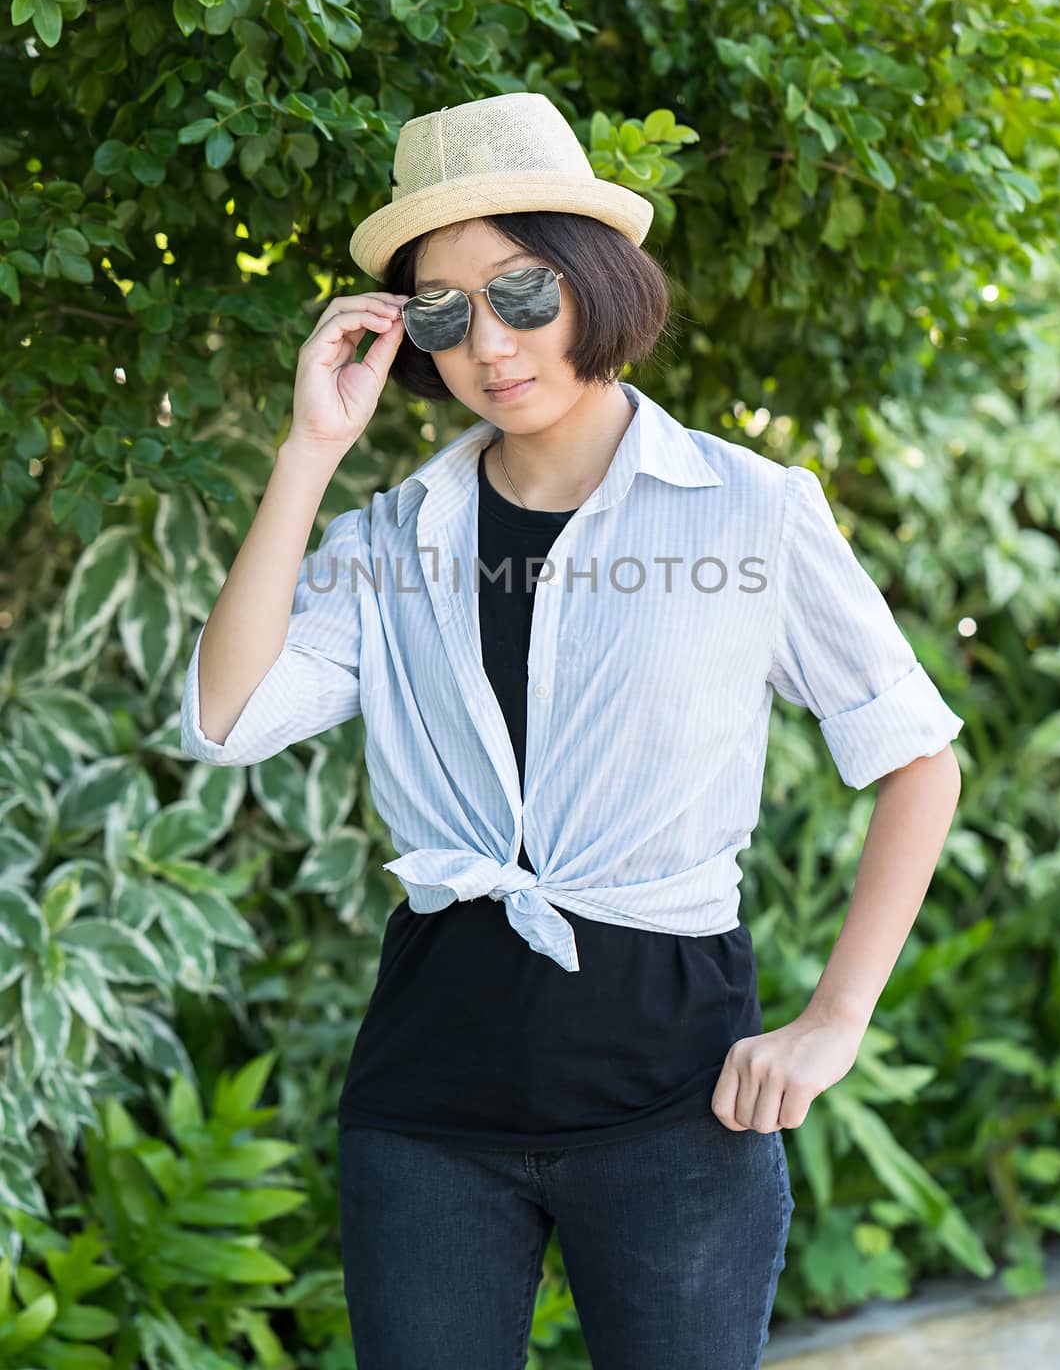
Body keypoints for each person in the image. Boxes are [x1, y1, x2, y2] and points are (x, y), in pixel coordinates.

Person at [180, 92, 965, 1369]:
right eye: (443, 311)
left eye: (521, 290)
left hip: (677, 1100)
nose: (489, 341)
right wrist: (311, 451)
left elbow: (915, 757)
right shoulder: (389, 539)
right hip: (427, 1104)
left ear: (595, 278)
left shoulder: (746, 511)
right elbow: (227, 719)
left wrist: (834, 1019)